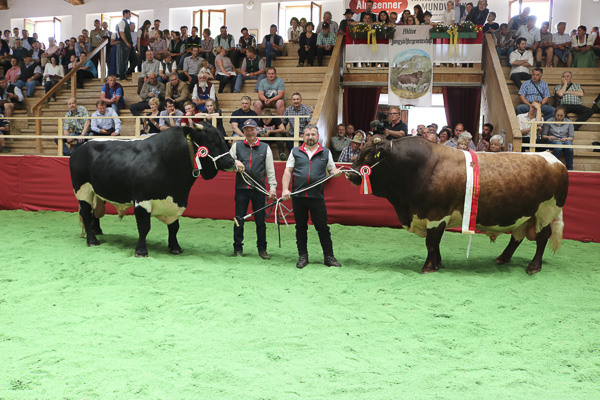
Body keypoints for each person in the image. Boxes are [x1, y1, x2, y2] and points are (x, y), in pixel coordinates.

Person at [281, 124, 342, 269]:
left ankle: (329, 257)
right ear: (303, 136)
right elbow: (288, 171)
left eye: (313, 134)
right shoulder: (295, 151)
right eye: (307, 135)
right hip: (298, 197)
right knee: (300, 227)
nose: (310, 137)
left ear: (318, 136)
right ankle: (303, 256)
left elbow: (332, 169)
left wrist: (335, 172)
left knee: (322, 227)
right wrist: (284, 189)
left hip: (317, 197)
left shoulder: (326, 152)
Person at [230, 119, 277, 259]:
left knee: (260, 221)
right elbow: (227, 162)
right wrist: (235, 162)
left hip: (259, 190)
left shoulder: (265, 147)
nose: (250, 132)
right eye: (247, 130)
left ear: (257, 130)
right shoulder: (236, 145)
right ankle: (237, 248)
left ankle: (262, 249)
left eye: (252, 129)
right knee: (239, 219)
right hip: (241, 189)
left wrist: (272, 188)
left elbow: (270, 170)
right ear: (243, 132)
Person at [115, 9, 133, 82]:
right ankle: (122, 77)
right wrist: (126, 43)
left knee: (136, 59)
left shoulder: (126, 22)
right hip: (125, 44)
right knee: (124, 61)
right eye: (129, 14)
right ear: (125, 14)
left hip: (129, 44)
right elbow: (122, 33)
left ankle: (128, 73)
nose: (130, 15)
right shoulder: (122, 22)